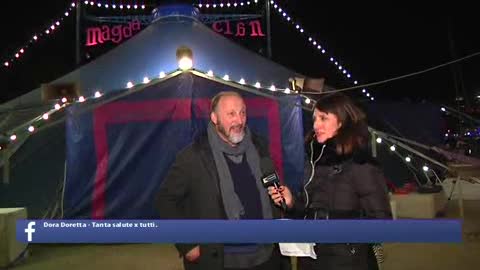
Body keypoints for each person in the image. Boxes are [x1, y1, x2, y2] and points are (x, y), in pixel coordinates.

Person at [156, 91, 290, 270]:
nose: (239, 120)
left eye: (242, 112)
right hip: (220, 261)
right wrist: (187, 243)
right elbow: (165, 200)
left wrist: (285, 200)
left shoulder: (260, 149)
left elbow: (275, 192)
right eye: (231, 114)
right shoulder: (194, 157)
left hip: (266, 257)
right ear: (214, 118)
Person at [269, 92, 392, 270]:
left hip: (348, 262)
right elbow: (308, 207)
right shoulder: (314, 160)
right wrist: (291, 202)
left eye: (323, 118)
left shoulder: (361, 164)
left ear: (342, 122)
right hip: (311, 258)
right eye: (314, 119)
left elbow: (382, 223)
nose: (316, 125)